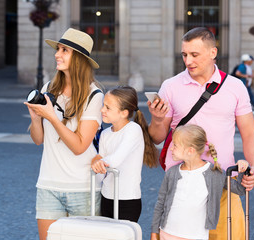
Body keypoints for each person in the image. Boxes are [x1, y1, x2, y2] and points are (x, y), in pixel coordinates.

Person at [147, 27, 254, 239]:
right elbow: (157, 137)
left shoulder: (235, 86)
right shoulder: (170, 86)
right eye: (184, 54)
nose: (188, 61)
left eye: (194, 55)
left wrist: (253, 169)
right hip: (182, 186)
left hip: (224, 182)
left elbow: (250, 133)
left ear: (213, 53)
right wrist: (157, 118)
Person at [24, 28, 104, 240]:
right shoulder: (49, 87)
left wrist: (51, 116)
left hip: (82, 189)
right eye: (58, 49)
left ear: (78, 58)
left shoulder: (94, 95)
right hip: (48, 185)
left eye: (64, 50)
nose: (57, 54)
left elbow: (79, 147)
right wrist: (35, 117)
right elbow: (38, 139)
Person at [151, 124, 249, 240]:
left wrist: (243, 168)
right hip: (167, 233)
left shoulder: (214, 173)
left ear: (190, 150)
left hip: (196, 236)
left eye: (175, 145)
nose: (171, 148)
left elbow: (240, 190)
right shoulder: (172, 172)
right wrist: (154, 231)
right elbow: (161, 202)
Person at [91, 86, 158, 222]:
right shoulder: (105, 133)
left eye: (108, 107)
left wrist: (99, 162)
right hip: (107, 197)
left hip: (127, 200)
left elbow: (114, 160)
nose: (102, 110)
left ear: (124, 113)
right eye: (104, 105)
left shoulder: (133, 130)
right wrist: (97, 164)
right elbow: (100, 171)